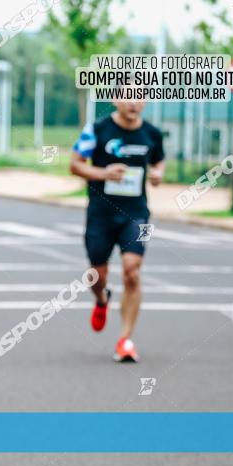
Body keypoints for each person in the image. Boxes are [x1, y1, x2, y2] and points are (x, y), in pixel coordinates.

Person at [70, 92, 164, 363]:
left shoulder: (152, 134)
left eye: (139, 97)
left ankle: (125, 340)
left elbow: (158, 160)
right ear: (115, 100)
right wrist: (103, 173)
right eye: (128, 97)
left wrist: (158, 174)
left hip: (136, 213)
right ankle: (101, 299)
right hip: (101, 213)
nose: (134, 103)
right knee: (97, 275)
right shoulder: (97, 130)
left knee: (132, 272)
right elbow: (75, 165)